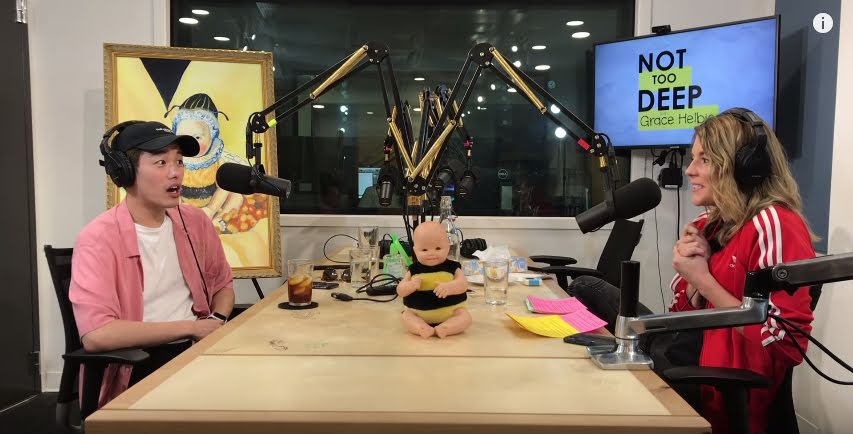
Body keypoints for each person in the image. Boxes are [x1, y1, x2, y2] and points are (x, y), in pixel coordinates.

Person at [569, 108, 816, 434]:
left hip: (718, 385)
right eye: (693, 158)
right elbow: (681, 315)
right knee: (585, 291)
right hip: (686, 353)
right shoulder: (709, 225)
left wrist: (702, 278)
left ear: (745, 168)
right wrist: (692, 282)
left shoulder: (775, 223)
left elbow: (786, 343)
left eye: (705, 160)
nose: (689, 170)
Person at [70, 121, 235, 409]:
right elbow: (97, 334)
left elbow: (222, 285)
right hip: (136, 362)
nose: (175, 172)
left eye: (179, 162)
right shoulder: (97, 238)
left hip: (196, 352)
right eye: (161, 163)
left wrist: (215, 320)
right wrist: (190, 328)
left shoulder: (195, 222)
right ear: (125, 171)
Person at [166, 93, 247, 232]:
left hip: (212, 204)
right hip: (183, 205)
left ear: (212, 136)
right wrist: (179, 208)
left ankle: (218, 220)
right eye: (183, 137)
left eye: (197, 137)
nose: (190, 143)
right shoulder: (177, 161)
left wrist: (211, 209)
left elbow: (223, 188)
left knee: (236, 197)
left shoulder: (216, 160)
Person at [396, 221, 471, 338]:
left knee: (465, 317)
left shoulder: (452, 267)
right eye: (424, 250)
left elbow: (463, 284)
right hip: (418, 314)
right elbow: (400, 290)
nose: (431, 253)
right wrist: (410, 285)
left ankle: (446, 327)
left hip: (451, 313)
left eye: (438, 248)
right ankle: (420, 327)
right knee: (406, 316)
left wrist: (450, 287)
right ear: (415, 251)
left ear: (448, 247)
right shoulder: (414, 270)